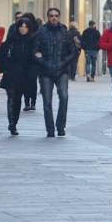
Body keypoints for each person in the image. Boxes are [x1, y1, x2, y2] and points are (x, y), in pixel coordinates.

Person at [33, 7, 75, 137]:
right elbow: (34, 51)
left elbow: (73, 52)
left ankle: (61, 126)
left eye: (56, 15)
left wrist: (63, 63)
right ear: (47, 17)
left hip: (62, 71)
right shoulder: (41, 32)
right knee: (47, 102)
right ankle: (50, 129)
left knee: (64, 96)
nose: (54, 18)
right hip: (45, 71)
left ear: (59, 17)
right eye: (51, 15)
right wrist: (41, 60)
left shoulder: (65, 33)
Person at [0, 16, 38, 135]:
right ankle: (12, 123)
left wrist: (33, 72)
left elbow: (35, 58)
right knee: (12, 98)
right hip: (11, 74)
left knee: (18, 100)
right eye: (21, 26)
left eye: (25, 27)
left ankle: (15, 121)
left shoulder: (33, 41)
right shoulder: (11, 40)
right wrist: (4, 68)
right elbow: (0, 55)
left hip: (25, 75)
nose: (23, 29)